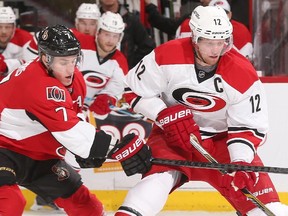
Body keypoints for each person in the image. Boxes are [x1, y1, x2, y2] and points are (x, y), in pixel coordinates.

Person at [109, 5, 288, 216]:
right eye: (209, 42)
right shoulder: (166, 55)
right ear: (195, 38)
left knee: (269, 207)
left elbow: (247, 126)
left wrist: (241, 161)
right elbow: (133, 90)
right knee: (154, 183)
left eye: (222, 42)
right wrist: (163, 114)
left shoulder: (242, 72)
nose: (216, 50)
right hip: (173, 138)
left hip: (223, 144)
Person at [0, 24, 141, 216]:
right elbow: (70, 131)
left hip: (40, 157)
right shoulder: (36, 83)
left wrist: (83, 154)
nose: (70, 68)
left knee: (87, 207)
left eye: (73, 60)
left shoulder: (76, 81)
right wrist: (118, 148)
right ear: (45, 58)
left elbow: (76, 122)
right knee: (10, 203)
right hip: (4, 149)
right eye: (63, 62)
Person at [78, 11, 128, 120]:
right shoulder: (81, 44)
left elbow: (117, 87)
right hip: (65, 103)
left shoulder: (120, 61)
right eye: (107, 34)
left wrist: (108, 98)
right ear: (98, 32)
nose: (110, 40)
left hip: (89, 113)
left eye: (115, 36)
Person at [176, 0, 254, 61]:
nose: (219, 17)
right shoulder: (189, 25)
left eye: (224, 13)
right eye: (215, 13)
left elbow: (244, 60)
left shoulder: (241, 30)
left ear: (230, 15)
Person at [22, 3, 100, 62]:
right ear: (77, 23)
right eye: (83, 23)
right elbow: (37, 39)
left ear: (98, 25)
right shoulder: (66, 35)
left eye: (92, 24)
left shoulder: (103, 44)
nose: (87, 28)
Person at [99, 0, 156, 69]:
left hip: (124, 73)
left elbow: (148, 46)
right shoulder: (93, 20)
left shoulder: (131, 19)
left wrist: (130, 65)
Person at [0, 6, 32, 81]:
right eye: (0, 27)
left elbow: (32, 67)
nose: (3, 31)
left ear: (14, 27)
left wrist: (5, 65)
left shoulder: (26, 40)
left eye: (7, 27)